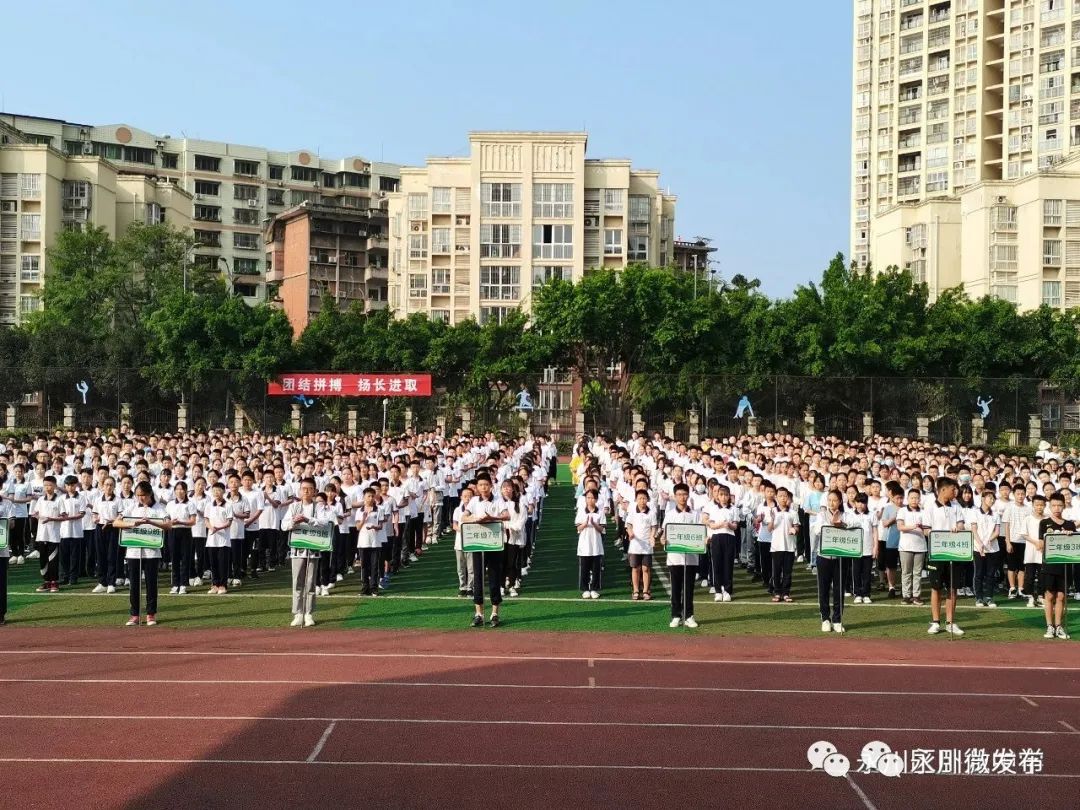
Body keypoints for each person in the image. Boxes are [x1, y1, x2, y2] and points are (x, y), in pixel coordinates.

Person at [113, 481, 172, 626]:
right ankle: (134, 615)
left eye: (143, 496)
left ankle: (151, 614)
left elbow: (168, 525)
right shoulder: (132, 507)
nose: (141, 498)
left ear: (150, 494)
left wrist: (152, 523)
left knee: (151, 584)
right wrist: (133, 524)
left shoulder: (159, 509)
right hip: (133, 552)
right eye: (138, 495)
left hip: (152, 552)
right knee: (134, 584)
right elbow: (116, 523)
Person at [280, 477, 327, 627]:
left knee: (311, 581)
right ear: (299, 490)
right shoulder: (294, 506)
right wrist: (294, 522)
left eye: (309, 489)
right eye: (303, 488)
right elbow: (284, 525)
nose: (306, 491)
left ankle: (309, 613)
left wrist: (307, 519)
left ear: (314, 491)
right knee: (297, 581)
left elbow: (324, 523)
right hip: (298, 549)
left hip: (313, 548)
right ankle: (298, 612)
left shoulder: (318, 507)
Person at [462, 474, 506, 627]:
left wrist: (492, 518)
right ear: (477, 487)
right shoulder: (474, 501)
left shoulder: (498, 500)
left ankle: (495, 613)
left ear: (491, 486)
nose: (483, 488)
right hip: (478, 543)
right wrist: (475, 519)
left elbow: (506, 515)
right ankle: (479, 613)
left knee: (494, 577)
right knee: (478, 578)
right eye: (480, 485)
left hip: (493, 543)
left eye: (486, 485)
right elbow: (464, 517)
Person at [926, 478, 965, 637]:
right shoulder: (930, 507)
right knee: (936, 587)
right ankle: (936, 621)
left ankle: (950, 622)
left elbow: (962, 524)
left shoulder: (956, 506)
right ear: (943, 490)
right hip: (937, 552)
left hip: (954, 552)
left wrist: (958, 528)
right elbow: (926, 530)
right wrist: (939, 535)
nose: (954, 492)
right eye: (952, 489)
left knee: (952, 587)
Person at [661, 482, 699, 627]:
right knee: (676, 588)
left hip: (691, 558)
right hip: (674, 557)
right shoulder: (670, 514)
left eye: (684, 494)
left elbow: (701, 533)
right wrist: (663, 539)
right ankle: (676, 615)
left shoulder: (695, 514)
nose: (682, 497)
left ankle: (689, 615)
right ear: (675, 496)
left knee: (689, 588)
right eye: (679, 495)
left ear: (688, 495)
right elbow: (664, 533)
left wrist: (704, 539)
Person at [1038, 492, 1075, 639]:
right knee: (1049, 595)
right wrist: (1055, 537)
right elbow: (1041, 545)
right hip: (1049, 564)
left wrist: (1069, 536)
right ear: (1049, 506)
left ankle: (1059, 626)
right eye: (1054, 505)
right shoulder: (1044, 523)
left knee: (1061, 596)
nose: (1057, 508)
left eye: (1059, 505)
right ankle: (1049, 626)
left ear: (1064, 506)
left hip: (1064, 565)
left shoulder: (1070, 524)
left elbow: (1074, 545)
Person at [813, 489, 849, 633]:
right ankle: (825, 618)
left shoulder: (846, 515)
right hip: (824, 557)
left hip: (841, 557)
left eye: (834, 500)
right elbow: (817, 530)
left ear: (840, 502)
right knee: (824, 588)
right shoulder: (821, 515)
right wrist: (832, 524)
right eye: (829, 500)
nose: (832, 503)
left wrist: (841, 524)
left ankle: (837, 619)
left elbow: (853, 528)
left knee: (839, 589)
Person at [703, 484, 738, 603]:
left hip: (729, 538)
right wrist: (721, 525)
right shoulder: (713, 508)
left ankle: (727, 590)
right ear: (717, 496)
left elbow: (735, 526)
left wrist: (729, 525)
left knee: (728, 564)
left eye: (726, 495)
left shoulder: (734, 509)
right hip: (716, 537)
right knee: (717, 564)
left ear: (729, 496)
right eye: (721, 495)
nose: (723, 497)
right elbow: (711, 524)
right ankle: (718, 591)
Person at [896, 488, 928, 607]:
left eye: (916, 497)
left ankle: (916, 596)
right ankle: (906, 596)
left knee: (917, 572)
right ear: (907, 499)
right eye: (912, 497)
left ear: (920, 499)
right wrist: (914, 527)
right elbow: (900, 527)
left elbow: (927, 529)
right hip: (905, 546)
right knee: (906, 572)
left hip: (920, 546)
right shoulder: (902, 511)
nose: (914, 500)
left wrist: (922, 529)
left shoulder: (923, 512)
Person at [769, 487, 799, 604]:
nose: (783, 498)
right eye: (780, 496)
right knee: (776, 571)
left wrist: (794, 530)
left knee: (787, 572)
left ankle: (786, 593)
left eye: (785, 496)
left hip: (789, 546)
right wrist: (772, 520)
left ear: (788, 498)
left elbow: (797, 526)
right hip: (776, 546)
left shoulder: (793, 512)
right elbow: (769, 529)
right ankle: (777, 592)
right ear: (776, 497)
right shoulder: (773, 511)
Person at [625, 489, 657, 601]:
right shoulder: (633, 512)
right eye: (640, 498)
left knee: (646, 568)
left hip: (647, 545)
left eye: (644, 498)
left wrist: (652, 536)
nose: (642, 501)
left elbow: (654, 527)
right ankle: (635, 590)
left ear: (647, 499)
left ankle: (646, 591)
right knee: (635, 568)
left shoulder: (651, 513)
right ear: (636, 500)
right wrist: (630, 533)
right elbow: (628, 525)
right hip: (635, 544)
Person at [91, 476, 121, 594]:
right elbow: (94, 514)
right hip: (100, 528)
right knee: (100, 555)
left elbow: (121, 515)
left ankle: (111, 583)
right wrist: (95, 519)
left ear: (114, 486)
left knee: (111, 556)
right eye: (106, 484)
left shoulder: (118, 500)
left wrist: (112, 520)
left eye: (111, 485)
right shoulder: (98, 500)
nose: (108, 487)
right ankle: (102, 582)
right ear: (103, 486)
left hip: (113, 528)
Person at [33, 476, 63, 593]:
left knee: (53, 559)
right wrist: (38, 516)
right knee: (43, 559)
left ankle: (54, 582)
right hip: (42, 535)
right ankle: (46, 582)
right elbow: (35, 513)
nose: (47, 487)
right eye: (45, 485)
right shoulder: (40, 500)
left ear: (55, 486)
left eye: (50, 485)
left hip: (54, 535)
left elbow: (63, 516)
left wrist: (51, 519)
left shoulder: (60, 500)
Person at [166, 481, 196, 595]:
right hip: (173, 531)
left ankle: (183, 584)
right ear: (174, 491)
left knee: (185, 558)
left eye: (182, 489)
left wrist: (181, 522)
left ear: (186, 491)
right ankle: (175, 584)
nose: (180, 491)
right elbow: (166, 519)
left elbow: (193, 521)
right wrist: (170, 522)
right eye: (177, 489)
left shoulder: (190, 504)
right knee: (174, 559)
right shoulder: (170, 504)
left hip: (185, 532)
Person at [973, 489, 1001, 608]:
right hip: (978, 548)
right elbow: (974, 529)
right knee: (978, 573)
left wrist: (989, 540)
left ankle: (989, 597)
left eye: (993, 498)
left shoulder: (996, 514)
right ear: (983, 498)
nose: (992, 500)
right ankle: (979, 597)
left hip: (992, 548)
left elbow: (997, 532)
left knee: (991, 574)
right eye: (990, 497)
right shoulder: (974, 513)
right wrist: (980, 544)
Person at [576, 488, 605, 600]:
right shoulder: (581, 511)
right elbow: (578, 528)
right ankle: (585, 589)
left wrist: (593, 523)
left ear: (596, 499)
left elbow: (602, 529)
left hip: (596, 545)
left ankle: (594, 588)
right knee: (584, 568)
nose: (590, 500)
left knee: (596, 568)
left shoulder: (600, 512)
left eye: (592, 498)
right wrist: (585, 523)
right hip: (584, 544)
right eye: (588, 498)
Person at [452, 486, 476, 597]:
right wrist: (464, 531)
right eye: (465, 496)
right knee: (460, 567)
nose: (467, 498)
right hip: (459, 542)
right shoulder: (458, 510)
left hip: (472, 542)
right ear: (461, 497)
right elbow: (454, 525)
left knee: (471, 567)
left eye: (470, 496)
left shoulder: (476, 510)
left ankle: (470, 587)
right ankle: (462, 586)